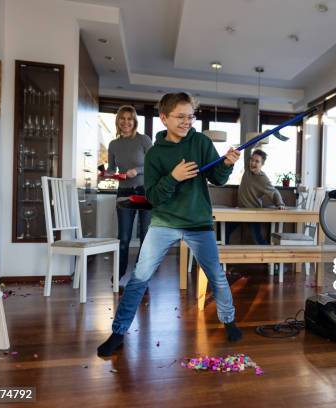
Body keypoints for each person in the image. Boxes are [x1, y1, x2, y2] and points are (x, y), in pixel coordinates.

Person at [97, 92, 242, 357]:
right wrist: (174, 177)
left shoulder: (199, 142)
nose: (187, 122)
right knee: (139, 278)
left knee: (217, 276)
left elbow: (218, 178)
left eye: (190, 116)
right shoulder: (154, 155)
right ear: (164, 118)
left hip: (199, 221)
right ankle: (118, 332)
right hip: (164, 222)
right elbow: (153, 196)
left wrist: (228, 164)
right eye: (181, 117)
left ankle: (229, 320)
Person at [106, 105, 153, 281]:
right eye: (122, 118)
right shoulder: (113, 144)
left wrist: (138, 170)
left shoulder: (144, 140)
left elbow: (154, 164)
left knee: (145, 237)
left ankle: (141, 275)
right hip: (124, 192)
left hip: (144, 192)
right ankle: (119, 272)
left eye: (129, 119)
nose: (126, 122)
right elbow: (112, 168)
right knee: (123, 237)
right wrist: (107, 173)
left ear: (134, 122)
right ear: (118, 121)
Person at [225, 149, 285, 245]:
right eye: (252, 160)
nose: (253, 163)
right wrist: (255, 140)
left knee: (257, 238)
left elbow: (274, 192)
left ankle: (268, 257)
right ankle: (223, 257)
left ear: (262, 164)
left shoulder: (263, 179)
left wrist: (280, 203)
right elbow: (247, 150)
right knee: (225, 231)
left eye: (257, 161)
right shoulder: (247, 169)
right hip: (240, 210)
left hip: (253, 212)